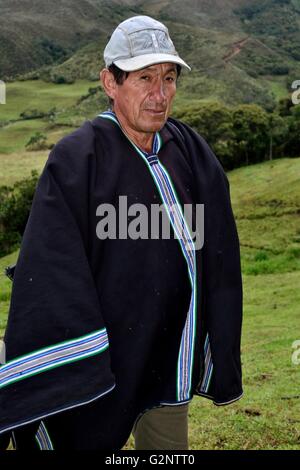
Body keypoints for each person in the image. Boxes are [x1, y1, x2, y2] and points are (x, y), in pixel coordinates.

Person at [0, 15, 243, 450]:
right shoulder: (79, 159)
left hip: (169, 360)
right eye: (145, 78)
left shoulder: (188, 150)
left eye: (169, 78)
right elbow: (53, 265)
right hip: (104, 368)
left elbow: (215, 246)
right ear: (110, 83)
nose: (160, 94)